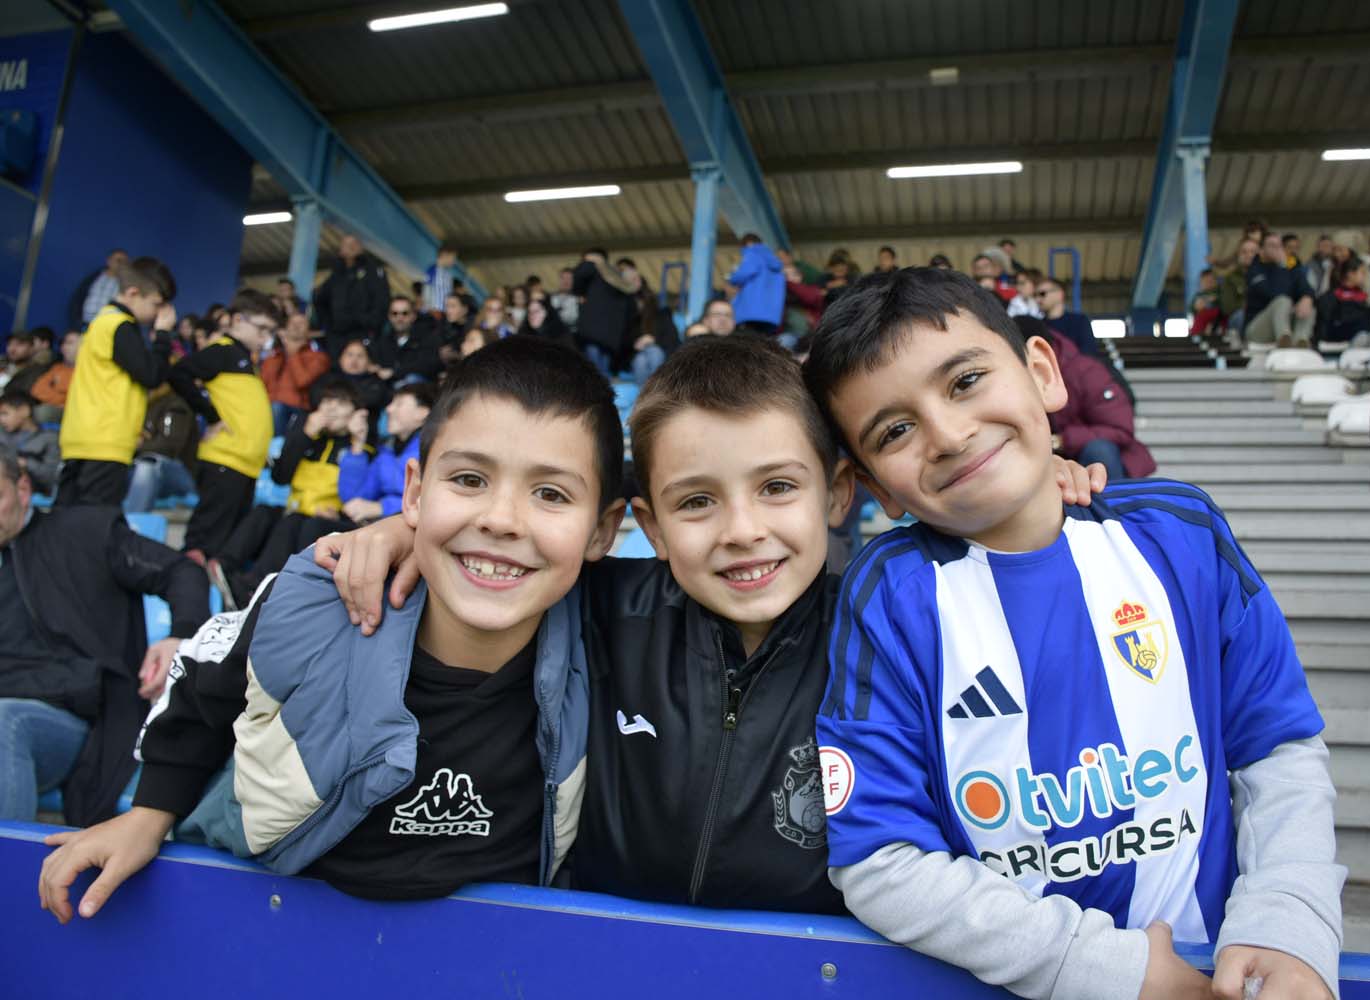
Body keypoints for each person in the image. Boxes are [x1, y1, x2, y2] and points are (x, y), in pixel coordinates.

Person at [309, 337, 1107, 915]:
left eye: (776, 488)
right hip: (599, 968)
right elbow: (498, 559)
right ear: (650, 528)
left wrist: (1041, 487)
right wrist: (399, 533)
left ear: (836, 495)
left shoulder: (888, 626)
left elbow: (994, 549)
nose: (741, 531)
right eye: (697, 502)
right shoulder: (594, 608)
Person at [800, 267, 1342, 1000]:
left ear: (1043, 373)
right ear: (877, 488)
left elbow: (1277, 749)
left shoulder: (1181, 534)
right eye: (895, 430)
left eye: (965, 381)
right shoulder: (889, 597)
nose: (951, 434)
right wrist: (1107, 971)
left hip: (1221, 978)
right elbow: (880, 857)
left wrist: (1287, 918)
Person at [37, 338, 613, 920]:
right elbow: (203, 697)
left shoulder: (613, 633)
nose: (500, 519)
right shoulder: (311, 602)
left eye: (550, 494)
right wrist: (147, 815)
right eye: (468, 480)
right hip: (278, 926)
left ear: (603, 530)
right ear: (414, 492)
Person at [0, 443, 209, 826]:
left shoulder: (84, 532)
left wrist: (179, 636)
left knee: (5, 722)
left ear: (23, 489)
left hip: (76, 717)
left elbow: (182, 572)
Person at [205, 381, 369, 610]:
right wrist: (304, 435)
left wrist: (357, 444)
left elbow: (360, 494)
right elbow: (280, 476)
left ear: (356, 412)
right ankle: (222, 568)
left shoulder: (362, 451)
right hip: (298, 510)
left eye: (339, 403)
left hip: (331, 518)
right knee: (263, 513)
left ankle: (255, 585)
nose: (330, 409)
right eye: (326, 402)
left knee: (293, 523)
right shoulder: (310, 438)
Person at [166, 288, 280, 562]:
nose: (266, 338)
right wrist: (213, 417)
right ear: (238, 320)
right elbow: (179, 373)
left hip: (244, 466)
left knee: (221, 546)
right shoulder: (223, 352)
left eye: (270, 332)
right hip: (225, 461)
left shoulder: (245, 361)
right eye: (261, 329)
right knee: (202, 543)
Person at [56, 257, 178, 507]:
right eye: (156, 304)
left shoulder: (102, 321)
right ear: (133, 293)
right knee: (92, 526)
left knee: (67, 524)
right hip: (104, 442)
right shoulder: (120, 326)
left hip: (84, 437)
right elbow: (152, 374)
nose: (159, 313)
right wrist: (164, 334)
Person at [1019, 317, 1156, 483]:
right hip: (1054, 457)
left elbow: (1120, 429)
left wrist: (1063, 440)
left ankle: (1108, 507)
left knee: (1099, 450)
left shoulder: (1086, 372)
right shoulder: (1015, 379)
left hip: (1096, 459)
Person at [339, 382, 436, 525]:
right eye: (391, 403)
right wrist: (358, 443)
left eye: (399, 404)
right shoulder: (387, 451)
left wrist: (382, 507)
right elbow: (353, 498)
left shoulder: (432, 450)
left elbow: (432, 501)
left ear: (422, 413)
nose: (389, 409)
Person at [312, 234, 390, 357]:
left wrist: (370, 322)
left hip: (364, 333)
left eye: (354, 244)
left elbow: (382, 301)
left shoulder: (373, 272)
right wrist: (329, 325)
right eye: (346, 245)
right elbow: (320, 300)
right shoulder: (335, 276)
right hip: (337, 335)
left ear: (361, 248)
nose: (350, 248)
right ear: (341, 250)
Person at [123, 389, 199, 514]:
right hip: (134, 465)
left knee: (147, 465)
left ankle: (134, 525)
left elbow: (169, 447)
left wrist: (135, 444)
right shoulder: (136, 402)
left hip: (178, 472)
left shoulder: (176, 403)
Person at [260, 312, 331, 436]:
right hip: (268, 407)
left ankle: (276, 448)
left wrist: (293, 354)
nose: (296, 327)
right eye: (292, 323)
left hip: (297, 409)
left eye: (301, 323)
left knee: (276, 408)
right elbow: (262, 384)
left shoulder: (318, 357)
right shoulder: (274, 355)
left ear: (309, 331)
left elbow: (302, 381)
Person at [1244, 233, 1316, 348]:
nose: (1277, 250)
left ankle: (1301, 341)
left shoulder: (1291, 268)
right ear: (1261, 250)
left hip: (1284, 323)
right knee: (1283, 301)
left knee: (1308, 306)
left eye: (1279, 246)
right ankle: (1284, 341)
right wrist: (1281, 266)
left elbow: (1306, 287)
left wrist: (1307, 297)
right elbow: (1273, 294)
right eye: (1272, 246)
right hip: (1257, 329)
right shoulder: (1255, 270)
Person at [573, 248, 636, 375]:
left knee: (596, 373)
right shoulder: (617, 277)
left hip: (592, 333)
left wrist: (588, 262)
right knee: (603, 372)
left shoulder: (590, 269)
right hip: (611, 338)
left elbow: (577, 281)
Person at [727, 234, 788, 344]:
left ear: (747, 244)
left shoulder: (752, 253)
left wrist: (731, 277)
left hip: (749, 313)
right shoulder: (775, 263)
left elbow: (745, 273)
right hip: (771, 316)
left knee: (744, 344)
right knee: (762, 344)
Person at [368, 295, 442, 385]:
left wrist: (394, 372)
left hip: (416, 389)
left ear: (413, 316)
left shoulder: (427, 337)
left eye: (405, 313)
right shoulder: (381, 340)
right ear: (389, 316)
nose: (399, 318)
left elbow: (428, 365)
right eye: (394, 313)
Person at [0, 391, 60, 495]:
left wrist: (26, 464)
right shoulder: (2, 438)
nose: (1, 420)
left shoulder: (49, 439)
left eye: (4, 413)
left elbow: (51, 477)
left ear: (24, 411)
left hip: (38, 498)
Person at [316, 339, 390, 416]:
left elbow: (374, 400)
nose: (354, 360)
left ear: (369, 362)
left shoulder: (376, 382)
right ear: (340, 359)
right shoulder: (326, 378)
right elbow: (316, 398)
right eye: (350, 355)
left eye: (360, 356)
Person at [1314, 256, 1370, 347]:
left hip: (1359, 333)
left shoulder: (1363, 295)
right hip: (1336, 335)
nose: (1364, 276)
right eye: (1362, 273)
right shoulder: (1332, 295)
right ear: (1350, 274)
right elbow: (1325, 323)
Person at [67, 248, 129, 330]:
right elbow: (78, 299)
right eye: (118, 260)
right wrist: (76, 324)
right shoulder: (95, 277)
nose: (120, 264)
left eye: (124, 261)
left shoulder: (126, 284)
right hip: (84, 325)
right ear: (109, 261)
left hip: (106, 327)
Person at [1036, 277, 1099, 357]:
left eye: (1042, 294)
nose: (1037, 299)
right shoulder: (1037, 326)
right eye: (1035, 295)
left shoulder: (1079, 321)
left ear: (1060, 294)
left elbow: (1088, 353)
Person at [30, 329, 79, 425]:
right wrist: (62, 401)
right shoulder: (57, 368)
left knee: (42, 412)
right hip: (58, 408)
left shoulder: (88, 370)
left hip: (76, 412)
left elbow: (77, 398)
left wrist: (64, 401)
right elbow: (37, 389)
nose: (64, 347)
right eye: (63, 343)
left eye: (70, 343)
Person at [1218, 237, 1257, 337]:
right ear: (1238, 255)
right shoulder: (1230, 278)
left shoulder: (1267, 274)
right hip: (1240, 317)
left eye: (1253, 252)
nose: (1249, 255)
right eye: (1244, 252)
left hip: (1262, 316)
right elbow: (1227, 308)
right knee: (1241, 316)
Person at [1, 330, 54, 396]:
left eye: (19, 345)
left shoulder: (37, 371)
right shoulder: (3, 363)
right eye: (9, 344)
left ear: (32, 348)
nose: (12, 349)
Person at [422, 246, 457, 316]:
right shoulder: (432, 271)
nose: (454, 261)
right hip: (434, 313)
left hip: (445, 314)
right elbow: (427, 291)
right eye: (453, 258)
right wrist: (431, 310)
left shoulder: (448, 274)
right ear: (444, 255)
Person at [551, 267, 581, 333]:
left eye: (569, 278)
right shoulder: (551, 299)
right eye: (563, 278)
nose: (566, 281)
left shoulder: (579, 299)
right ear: (559, 280)